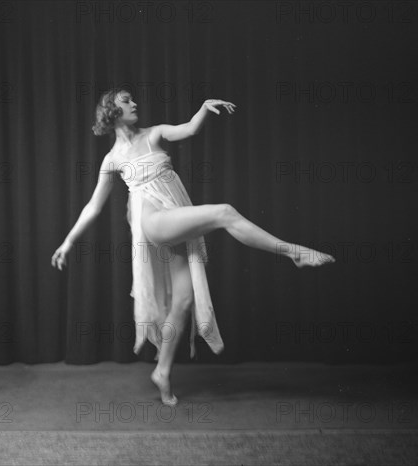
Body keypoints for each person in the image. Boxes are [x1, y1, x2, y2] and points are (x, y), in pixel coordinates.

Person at [52, 88, 335, 406]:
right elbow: (93, 205)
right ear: (112, 111)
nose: (134, 104)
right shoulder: (112, 159)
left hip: (174, 218)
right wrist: (68, 241)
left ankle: (162, 371)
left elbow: (188, 128)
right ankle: (294, 253)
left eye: (133, 99)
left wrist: (202, 109)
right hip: (154, 221)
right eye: (127, 101)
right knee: (224, 212)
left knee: (184, 301)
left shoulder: (154, 133)